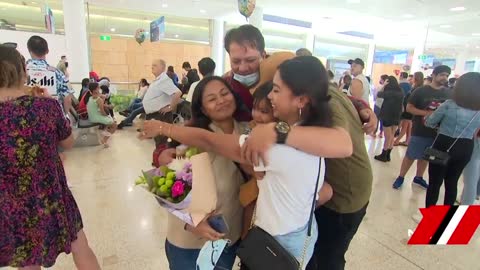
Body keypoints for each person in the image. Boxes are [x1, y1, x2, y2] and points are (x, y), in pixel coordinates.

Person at [141, 57, 353, 269]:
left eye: (225, 94)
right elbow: (167, 188)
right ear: (202, 108)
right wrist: (192, 222)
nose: (221, 100)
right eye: (212, 99)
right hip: (194, 243)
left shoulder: (255, 134)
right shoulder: (192, 140)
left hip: (237, 239)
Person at [0, 46, 101, 270]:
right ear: (22, 72)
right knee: (80, 247)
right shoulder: (45, 106)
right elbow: (67, 142)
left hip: (10, 201)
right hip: (51, 192)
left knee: (27, 261)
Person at [425, 72, 480, 207]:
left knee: (434, 183)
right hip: (466, 146)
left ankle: (430, 218)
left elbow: (430, 122)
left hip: (443, 144)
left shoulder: (449, 104)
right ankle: (447, 216)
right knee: (452, 183)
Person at [392, 65, 452, 190]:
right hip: (420, 130)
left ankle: (418, 177)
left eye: (446, 75)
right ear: (434, 75)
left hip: (438, 133)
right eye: (442, 75)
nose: (444, 78)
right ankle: (401, 176)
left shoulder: (448, 93)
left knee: (427, 156)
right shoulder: (421, 91)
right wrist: (427, 114)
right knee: (411, 155)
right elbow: (409, 108)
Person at [119, 59, 182, 145]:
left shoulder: (164, 80)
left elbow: (178, 93)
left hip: (161, 115)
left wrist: (170, 107)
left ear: (163, 68)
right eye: (152, 65)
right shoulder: (158, 80)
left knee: (162, 143)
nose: (152, 67)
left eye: (155, 65)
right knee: (159, 143)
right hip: (155, 114)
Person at [223, 25, 267, 121]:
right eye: (236, 61)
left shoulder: (274, 84)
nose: (243, 68)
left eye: (250, 60)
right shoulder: (224, 86)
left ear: (263, 56)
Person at [25, 35, 74, 116]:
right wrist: (64, 115)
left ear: (29, 50)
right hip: (52, 118)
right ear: (47, 51)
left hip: (27, 119)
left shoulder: (21, 72)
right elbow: (67, 99)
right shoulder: (57, 73)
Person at [374, 76, 404, 162]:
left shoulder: (389, 92)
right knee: (392, 135)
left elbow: (378, 95)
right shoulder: (400, 91)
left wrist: (383, 85)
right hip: (397, 115)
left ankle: (384, 154)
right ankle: (388, 155)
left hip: (387, 115)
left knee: (388, 136)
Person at [395, 71, 424, 146]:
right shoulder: (414, 87)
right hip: (408, 109)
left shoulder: (417, 89)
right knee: (408, 127)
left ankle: (397, 140)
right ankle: (407, 141)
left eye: (413, 77)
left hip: (409, 111)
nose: (411, 79)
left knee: (405, 126)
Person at [87, 82, 117, 147]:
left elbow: (100, 105)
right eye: (98, 88)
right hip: (95, 118)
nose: (99, 89)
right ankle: (104, 140)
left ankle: (105, 131)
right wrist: (108, 115)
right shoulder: (98, 99)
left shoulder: (91, 97)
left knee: (109, 120)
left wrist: (107, 106)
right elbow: (102, 112)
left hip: (91, 116)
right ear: (95, 90)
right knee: (114, 125)